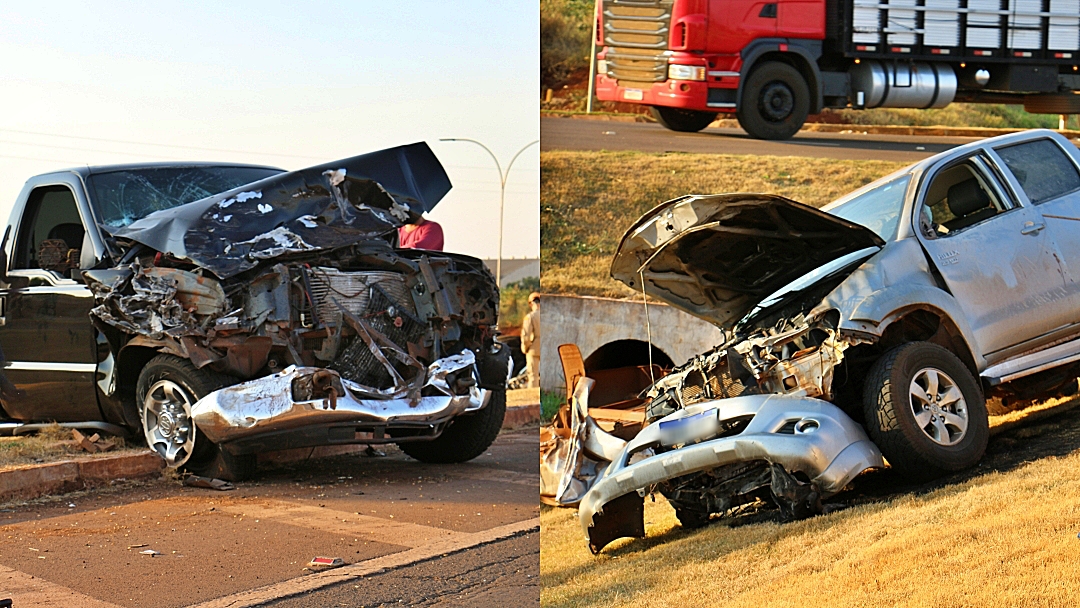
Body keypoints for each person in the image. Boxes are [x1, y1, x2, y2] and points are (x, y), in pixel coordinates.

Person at [521, 292, 540, 388]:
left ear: (530, 304)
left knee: (533, 376)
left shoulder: (530, 317)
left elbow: (526, 336)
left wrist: (525, 348)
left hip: (534, 348)